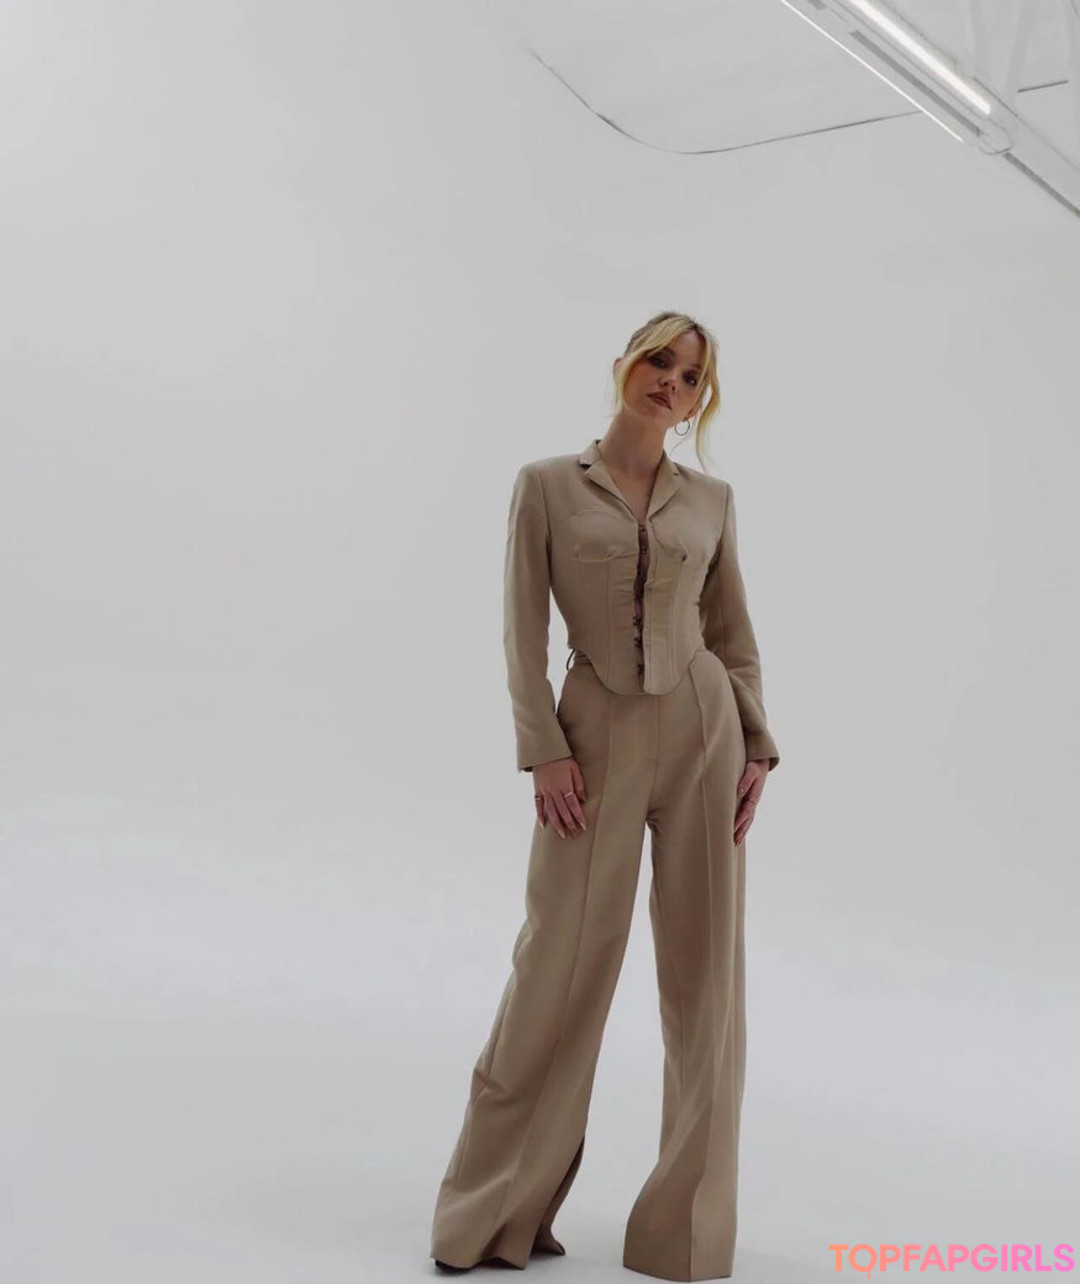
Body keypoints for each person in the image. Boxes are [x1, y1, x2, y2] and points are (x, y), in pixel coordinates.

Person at [429, 311, 780, 1281]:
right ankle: (490, 1215)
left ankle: (685, 1239)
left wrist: (756, 745)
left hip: (705, 730)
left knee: (707, 983)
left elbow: (732, 632)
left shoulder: (711, 500)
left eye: (692, 375)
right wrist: (542, 748)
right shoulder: (547, 484)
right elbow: (520, 629)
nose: (672, 381)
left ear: (703, 397)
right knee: (558, 965)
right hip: (593, 736)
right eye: (659, 361)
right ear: (624, 364)